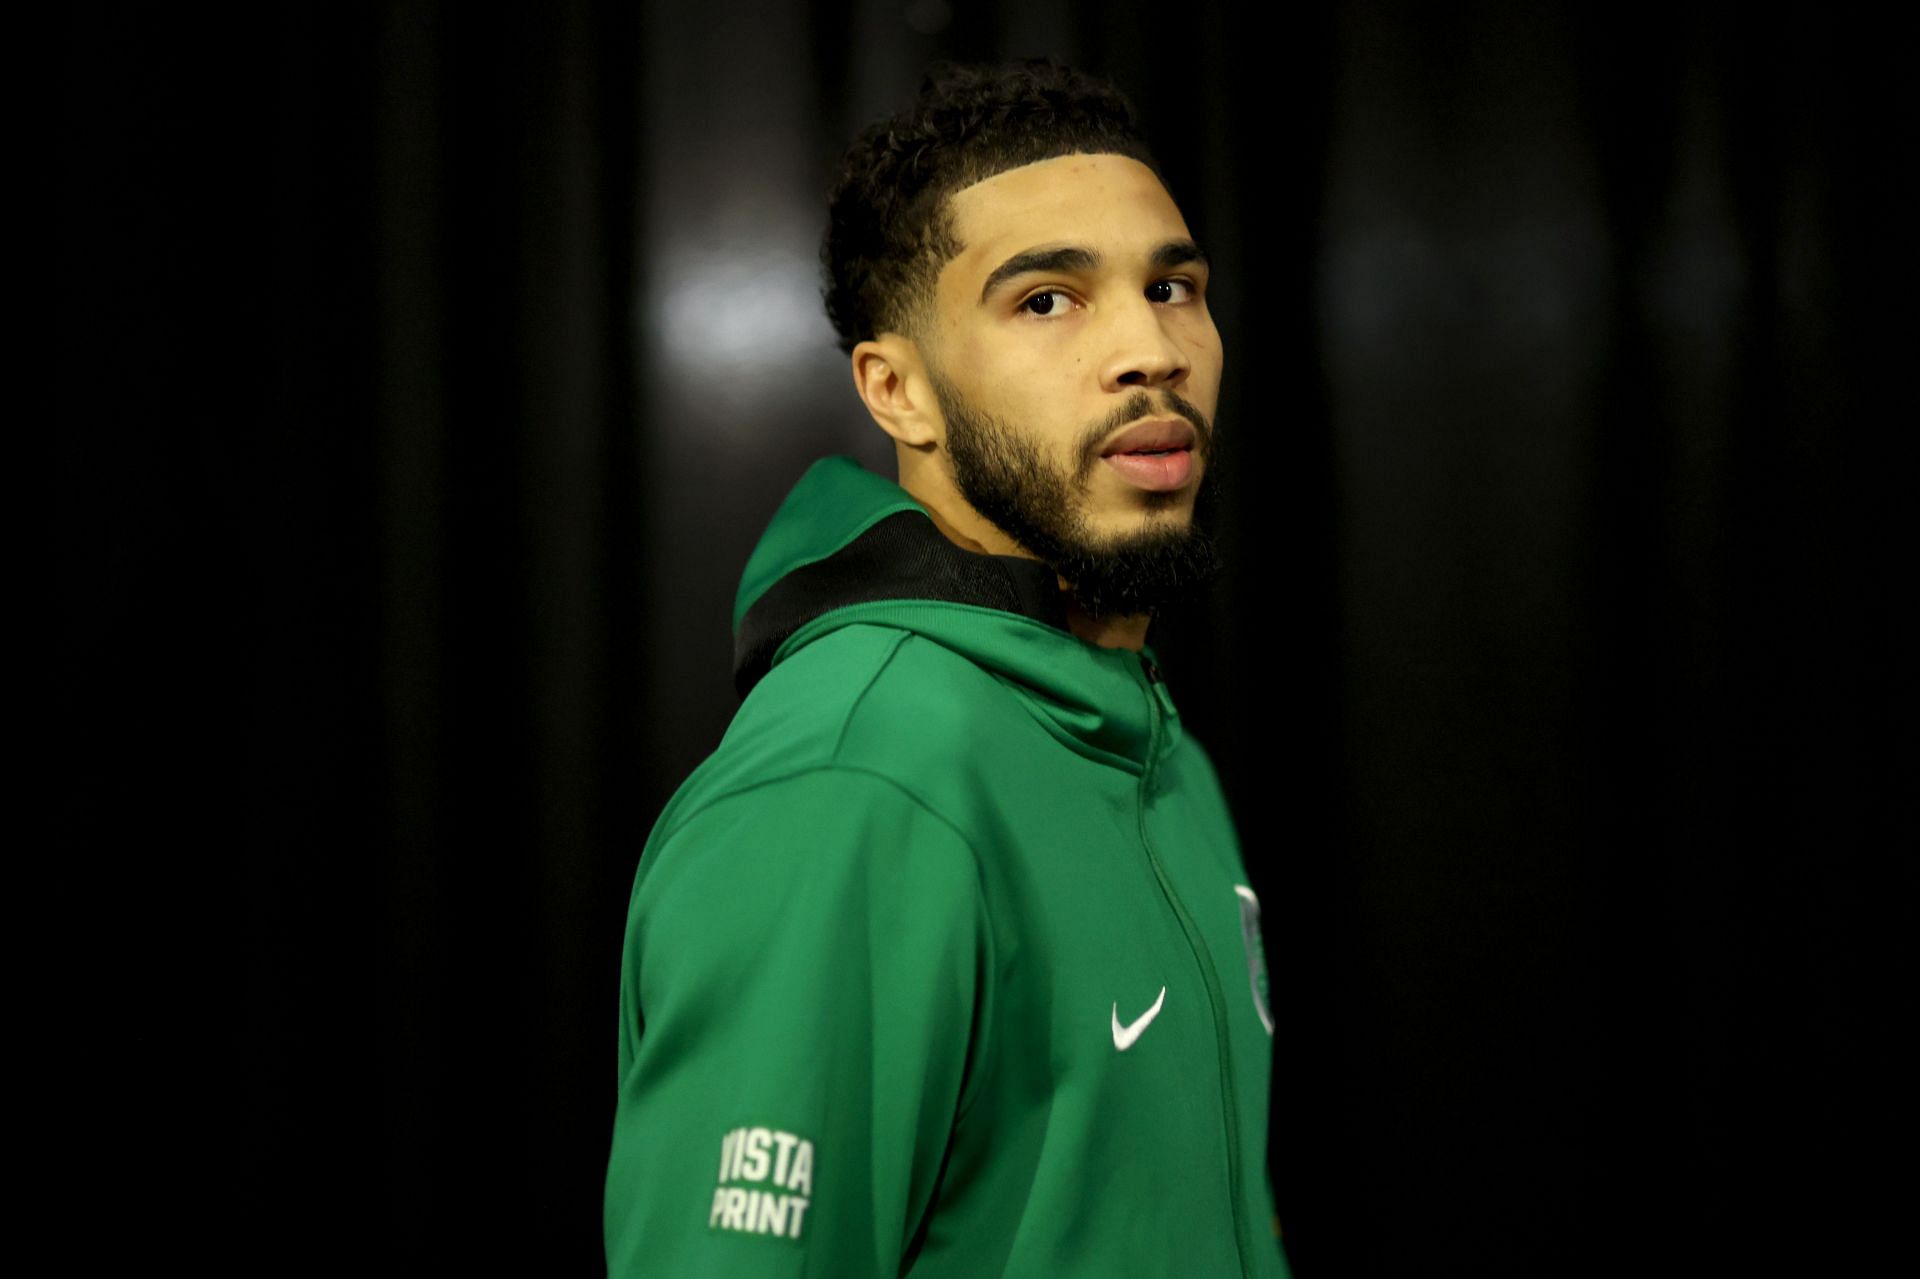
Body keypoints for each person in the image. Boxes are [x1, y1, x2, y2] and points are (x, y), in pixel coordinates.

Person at [604, 59, 1290, 1278]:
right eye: (1046, 301)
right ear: (898, 391)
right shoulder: (854, 790)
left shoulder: (1148, 739)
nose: (1151, 348)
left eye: (1172, 285)